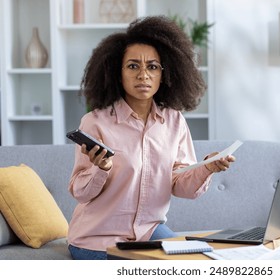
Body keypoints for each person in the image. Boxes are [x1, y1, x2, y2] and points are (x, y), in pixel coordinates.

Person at [67, 16, 235, 260]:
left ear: (164, 74)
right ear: (118, 72)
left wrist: (207, 168)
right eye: (133, 66)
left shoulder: (174, 121)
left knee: (196, 261)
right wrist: (100, 169)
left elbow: (181, 186)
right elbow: (80, 192)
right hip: (97, 238)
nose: (143, 75)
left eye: (153, 67)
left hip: (149, 231)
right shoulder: (95, 122)